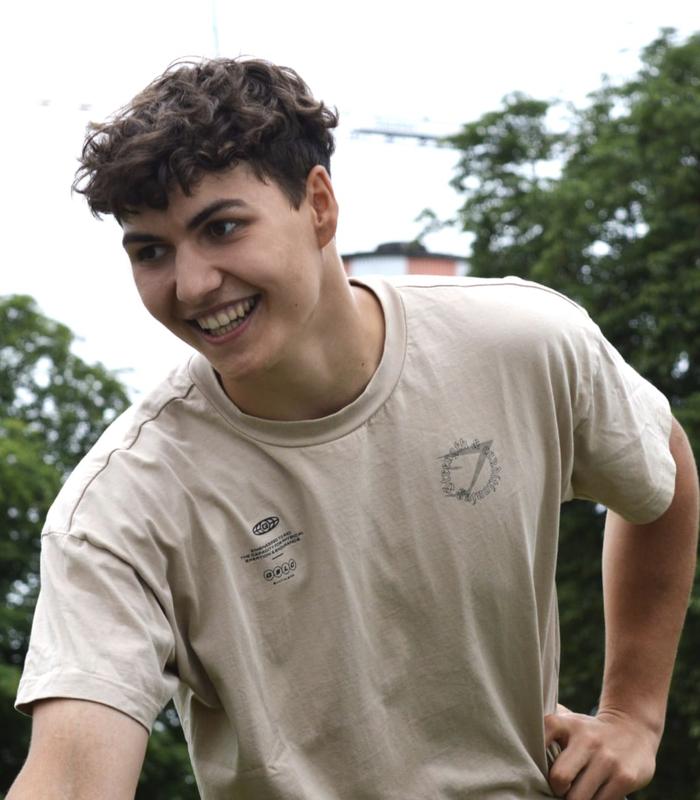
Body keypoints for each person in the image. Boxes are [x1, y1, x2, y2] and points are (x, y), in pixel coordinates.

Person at [8, 57, 699, 800]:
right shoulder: (119, 508)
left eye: (223, 228)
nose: (192, 283)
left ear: (319, 205)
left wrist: (633, 716)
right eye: (152, 251)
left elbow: (660, 468)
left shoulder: (522, 343)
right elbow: (71, 777)